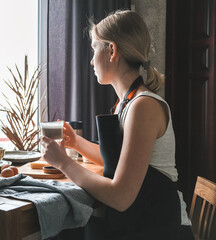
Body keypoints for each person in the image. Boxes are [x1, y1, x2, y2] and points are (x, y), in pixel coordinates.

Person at [41, 10, 193, 240]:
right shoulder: (125, 103)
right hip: (137, 224)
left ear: (111, 50)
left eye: (94, 49)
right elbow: (124, 163)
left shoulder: (144, 106)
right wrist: (76, 142)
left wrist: (63, 162)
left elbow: (121, 197)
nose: (91, 60)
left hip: (160, 229)